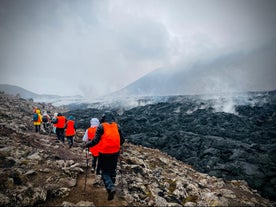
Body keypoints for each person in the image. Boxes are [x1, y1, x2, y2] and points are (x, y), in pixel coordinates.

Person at [83, 111, 124, 201]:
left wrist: (87, 145)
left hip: (104, 152)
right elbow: (122, 140)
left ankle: (110, 187)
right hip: (115, 152)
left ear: (103, 119)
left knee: (104, 171)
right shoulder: (117, 126)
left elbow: (95, 141)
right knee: (112, 170)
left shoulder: (101, 127)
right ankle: (111, 186)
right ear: (112, 118)